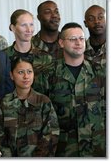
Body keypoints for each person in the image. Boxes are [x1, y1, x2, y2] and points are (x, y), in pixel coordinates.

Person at [35, 22, 106, 157]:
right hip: (63, 149)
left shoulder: (100, 72)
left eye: (81, 38)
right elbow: (39, 115)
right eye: (73, 39)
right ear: (61, 43)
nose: (78, 42)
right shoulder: (48, 74)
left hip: (97, 148)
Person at [0, 56, 59, 157]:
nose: (26, 76)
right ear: (11, 75)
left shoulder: (43, 101)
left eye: (29, 72)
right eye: (20, 72)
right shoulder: (3, 103)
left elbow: (51, 134)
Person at [4, 9, 52, 77]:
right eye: (24, 25)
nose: (29, 30)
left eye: (31, 25)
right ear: (13, 28)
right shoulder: (3, 57)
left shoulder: (46, 57)